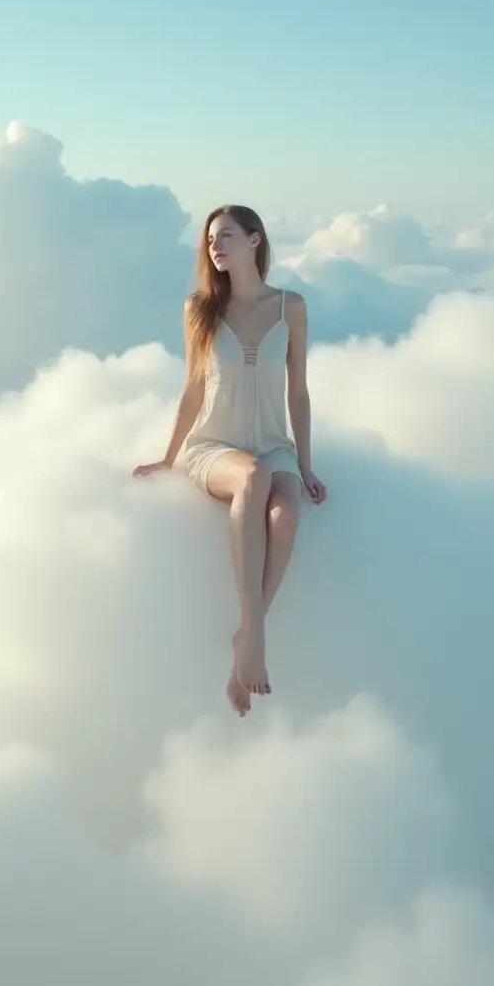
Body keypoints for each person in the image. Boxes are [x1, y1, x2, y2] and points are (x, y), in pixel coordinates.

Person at [132, 204, 327, 717]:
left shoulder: (292, 307)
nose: (215, 247)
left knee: (286, 512)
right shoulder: (200, 307)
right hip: (214, 446)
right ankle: (256, 639)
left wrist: (304, 467)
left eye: (226, 237)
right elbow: (194, 389)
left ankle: (244, 634)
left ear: (255, 241)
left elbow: (299, 394)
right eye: (211, 240)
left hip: (273, 443)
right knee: (254, 478)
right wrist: (169, 457)